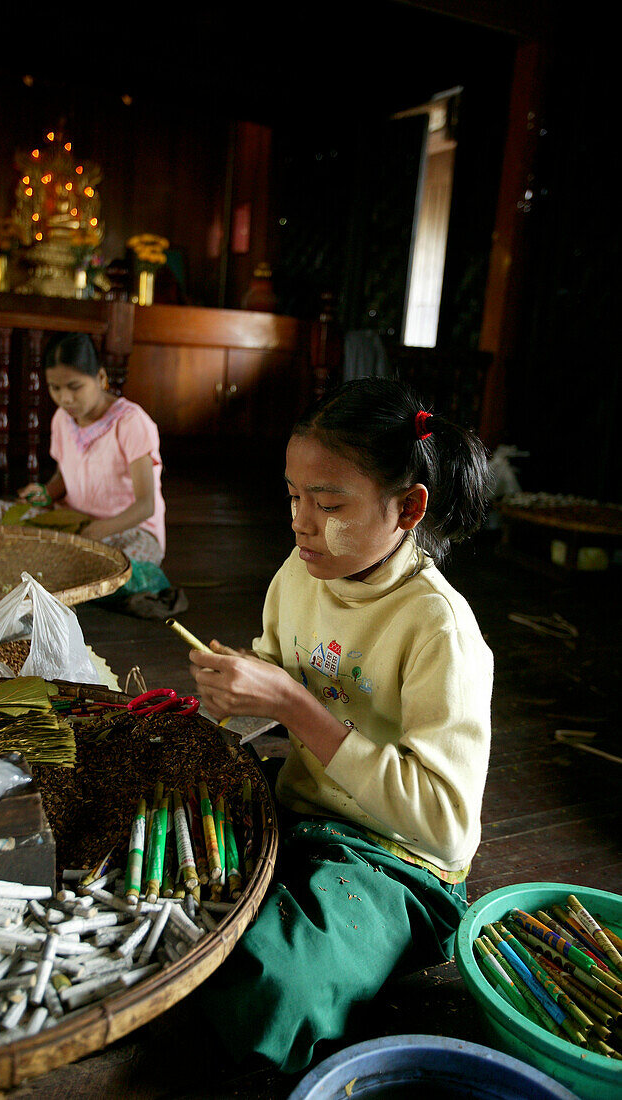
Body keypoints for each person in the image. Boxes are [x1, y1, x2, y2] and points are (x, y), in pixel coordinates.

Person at [189, 377, 494, 1072]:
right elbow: (273, 673)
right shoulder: (300, 573)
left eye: (328, 504)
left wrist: (297, 708)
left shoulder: (439, 630)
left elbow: (446, 824)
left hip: (396, 859)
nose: (301, 522)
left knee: (272, 987)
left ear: (408, 508)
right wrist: (231, 695)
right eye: (294, 497)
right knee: (163, 880)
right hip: (300, 808)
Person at [0, 333, 183, 614]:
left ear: (100, 378)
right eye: (55, 388)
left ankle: (47, 581)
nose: (65, 398)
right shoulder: (63, 419)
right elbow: (64, 477)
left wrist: (99, 530)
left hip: (127, 531)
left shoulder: (130, 422)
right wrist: (44, 494)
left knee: (105, 563)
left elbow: (146, 505)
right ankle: (51, 578)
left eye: (74, 387)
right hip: (74, 524)